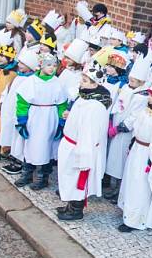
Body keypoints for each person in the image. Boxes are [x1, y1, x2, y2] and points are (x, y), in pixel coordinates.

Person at [117, 75, 152, 231]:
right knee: (131, 180)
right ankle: (127, 211)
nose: (149, 97)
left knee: (140, 184)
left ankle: (136, 219)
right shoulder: (146, 109)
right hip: (137, 148)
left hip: (146, 154)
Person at [55, 62, 111, 220]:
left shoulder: (95, 105)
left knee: (76, 177)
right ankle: (70, 205)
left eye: (85, 80)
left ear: (95, 84)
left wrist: (84, 154)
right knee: (68, 175)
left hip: (80, 146)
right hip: (70, 143)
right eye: (82, 79)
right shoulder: (84, 96)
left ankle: (76, 209)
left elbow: (89, 132)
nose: (81, 82)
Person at [14, 53, 68, 190]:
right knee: (31, 145)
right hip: (35, 117)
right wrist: (22, 121)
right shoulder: (31, 81)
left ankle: (43, 176)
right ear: (42, 65)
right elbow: (22, 103)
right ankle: (27, 173)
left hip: (50, 118)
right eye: (49, 65)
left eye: (55, 65)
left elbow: (62, 104)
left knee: (47, 147)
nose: (52, 68)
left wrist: (61, 124)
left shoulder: (57, 83)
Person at [103, 54, 151, 200]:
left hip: (125, 132)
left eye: (134, 80)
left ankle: (119, 189)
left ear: (141, 81)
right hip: (116, 125)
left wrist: (119, 128)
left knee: (121, 161)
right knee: (114, 160)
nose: (130, 81)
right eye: (130, 79)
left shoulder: (142, 96)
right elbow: (117, 104)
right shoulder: (125, 87)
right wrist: (112, 120)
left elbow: (134, 116)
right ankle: (113, 186)